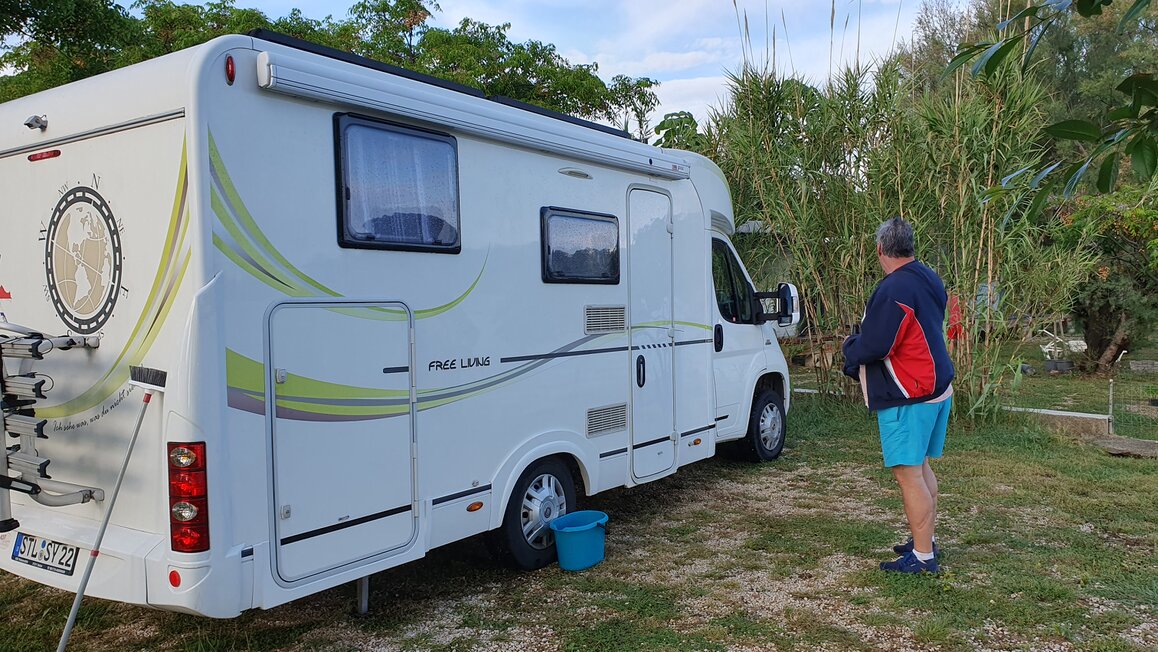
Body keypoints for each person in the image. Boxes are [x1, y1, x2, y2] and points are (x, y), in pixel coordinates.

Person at [842, 216, 954, 574]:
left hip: (910, 394)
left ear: (879, 249)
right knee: (920, 467)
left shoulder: (894, 289)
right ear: (910, 245)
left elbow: (877, 344)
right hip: (937, 387)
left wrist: (849, 350)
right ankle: (926, 541)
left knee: (909, 475)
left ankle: (923, 558)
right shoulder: (928, 276)